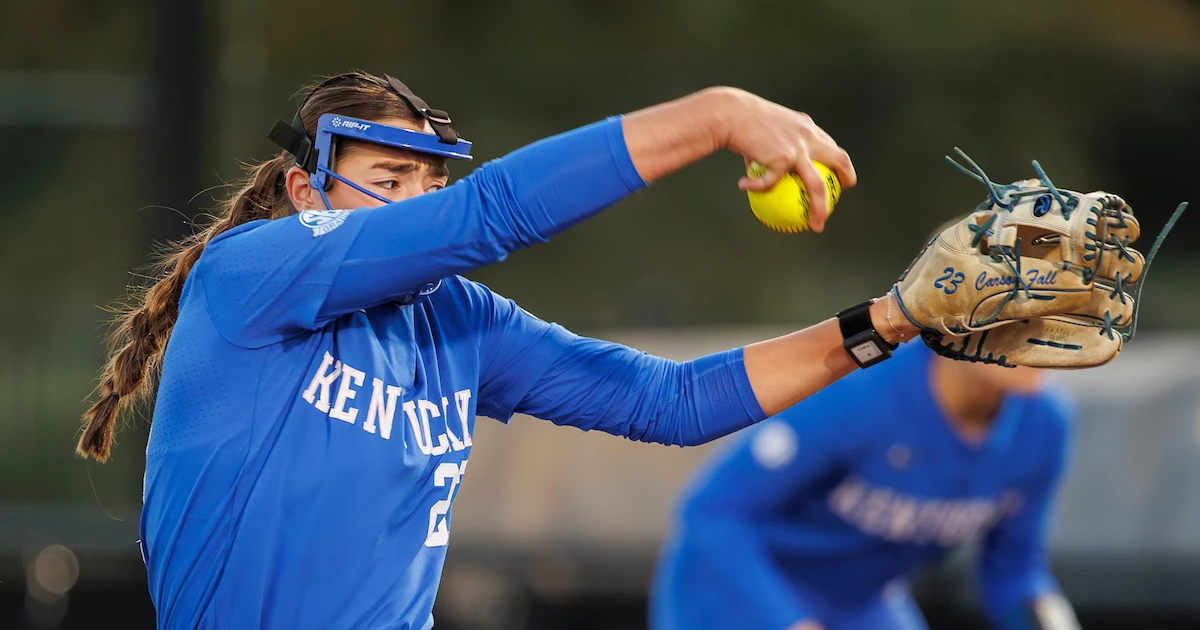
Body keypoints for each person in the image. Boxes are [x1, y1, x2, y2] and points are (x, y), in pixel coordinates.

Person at [74, 68, 983, 629]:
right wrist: (715, 115)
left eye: (429, 182)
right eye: (387, 180)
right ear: (304, 191)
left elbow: (672, 404)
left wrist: (890, 320)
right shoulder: (251, 273)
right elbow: (487, 215)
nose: (417, 204)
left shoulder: (458, 319)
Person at [651, 342, 1081, 630]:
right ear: (949, 318)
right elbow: (715, 511)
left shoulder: (1045, 424)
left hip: (859, 601)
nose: (1041, 322)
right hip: (737, 593)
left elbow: (1013, 568)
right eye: (1015, 305)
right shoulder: (862, 390)